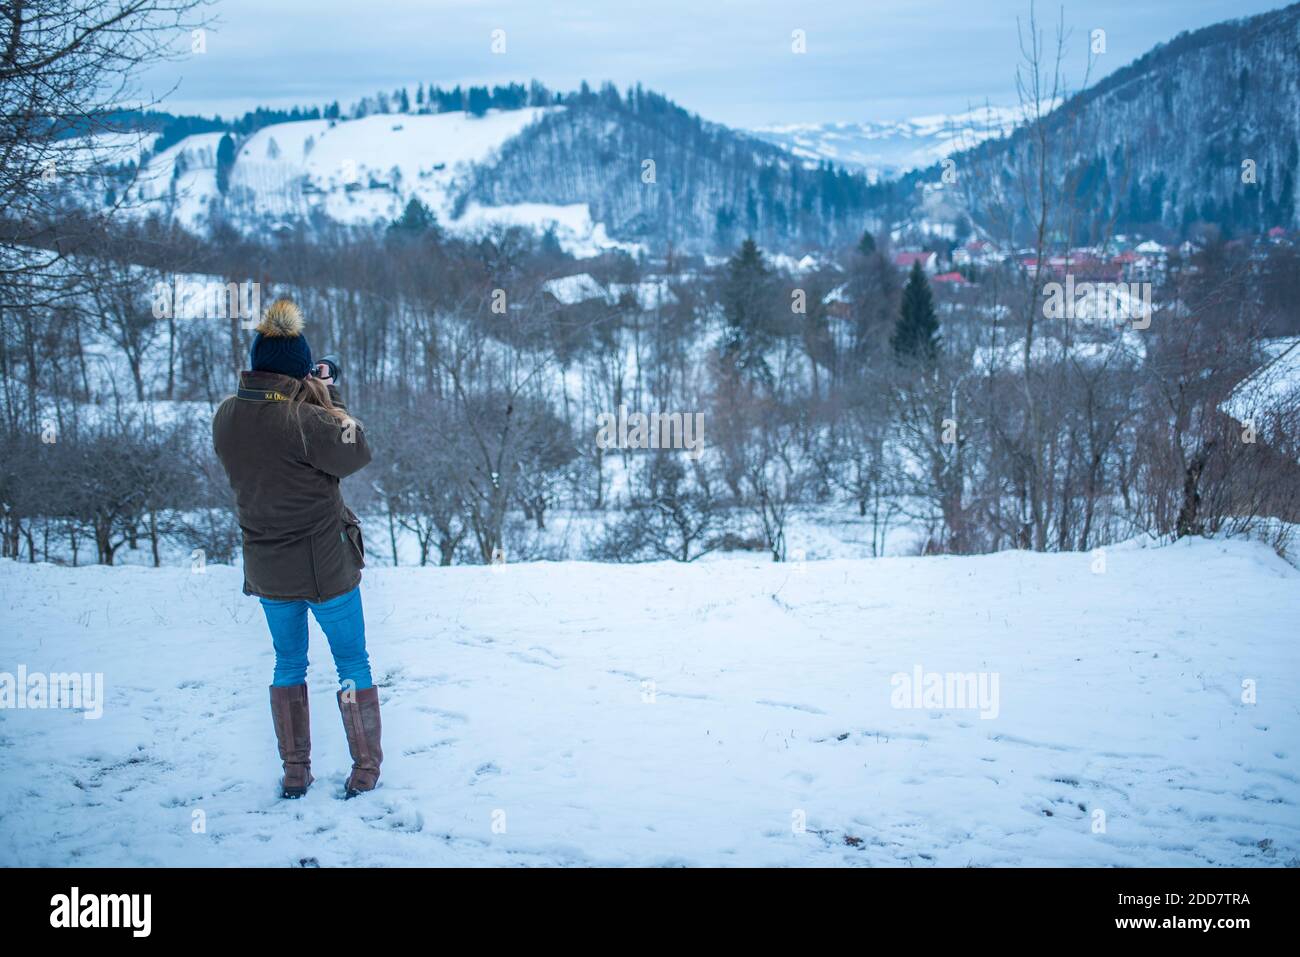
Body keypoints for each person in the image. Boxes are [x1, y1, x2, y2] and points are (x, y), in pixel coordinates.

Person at [212, 298, 382, 799]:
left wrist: (305, 391)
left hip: (267, 568)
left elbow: (269, 421)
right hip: (325, 567)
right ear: (301, 374)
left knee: (288, 664)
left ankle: (294, 770)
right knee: (353, 663)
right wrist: (328, 396)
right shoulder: (307, 422)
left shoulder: (226, 416)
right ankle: (365, 768)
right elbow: (356, 446)